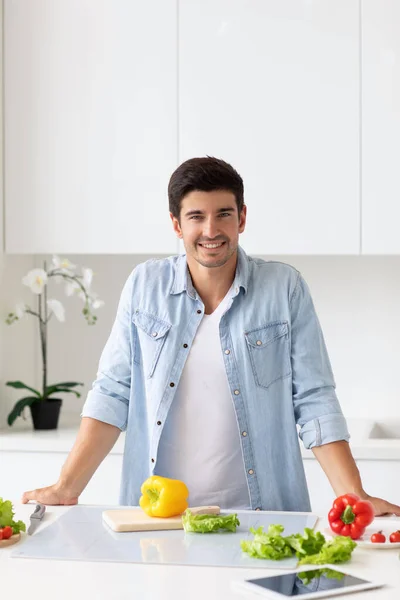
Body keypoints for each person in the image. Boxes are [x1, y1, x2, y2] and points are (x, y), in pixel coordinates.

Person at [22, 157, 400, 516]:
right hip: (159, 518)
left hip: (265, 515)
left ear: (242, 218)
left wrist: (354, 496)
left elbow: (315, 399)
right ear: (176, 224)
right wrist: (66, 486)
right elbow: (113, 392)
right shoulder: (144, 286)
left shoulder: (284, 288)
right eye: (196, 217)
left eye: (223, 214)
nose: (211, 230)